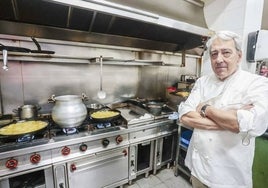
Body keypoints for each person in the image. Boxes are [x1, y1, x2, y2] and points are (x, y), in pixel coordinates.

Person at [178, 30, 268, 188]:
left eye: (226, 53)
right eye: (214, 54)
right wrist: (231, 120)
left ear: (239, 56)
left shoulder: (256, 84)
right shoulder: (202, 82)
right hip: (198, 170)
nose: (219, 59)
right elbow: (185, 116)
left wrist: (206, 108)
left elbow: (252, 125)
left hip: (229, 177)